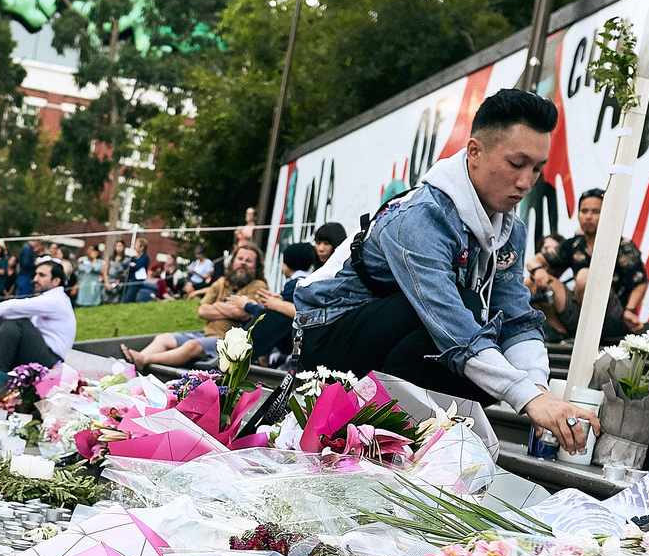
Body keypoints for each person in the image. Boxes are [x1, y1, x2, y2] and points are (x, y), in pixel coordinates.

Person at [294, 89, 595, 456]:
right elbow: (447, 320)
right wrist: (526, 397)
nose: (525, 181)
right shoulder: (421, 217)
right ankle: (380, 431)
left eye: (537, 168)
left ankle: (417, 440)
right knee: (468, 313)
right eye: (517, 163)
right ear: (474, 152)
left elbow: (517, 317)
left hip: (402, 337)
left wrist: (539, 390)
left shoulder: (510, 229)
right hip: (328, 338)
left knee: (496, 347)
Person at [121, 243, 266, 368]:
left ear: (256, 266)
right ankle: (128, 366)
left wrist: (217, 306)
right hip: (206, 334)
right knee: (164, 338)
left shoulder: (258, 285)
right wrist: (230, 307)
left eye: (249, 261)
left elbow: (244, 313)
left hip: (229, 343)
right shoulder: (222, 282)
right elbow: (202, 310)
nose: (243, 263)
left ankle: (143, 359)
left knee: (192, 346)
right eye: (240, 259)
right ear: (233, 261)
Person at [560, 188, 646, 344]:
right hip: (580, 317)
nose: (588, 217)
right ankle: (561, 334)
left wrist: (630, 310)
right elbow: (536, 262)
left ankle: (585, 338)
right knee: (532, 282)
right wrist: (539, 272)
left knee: (586, 276)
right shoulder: (574, 244)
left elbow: (639, 282)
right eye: (584, 211)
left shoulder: (622, 246)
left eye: (596, 212)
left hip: (614, 316)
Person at [0, 256, 73, 373]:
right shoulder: (51, 298)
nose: (35, 279)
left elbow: (15, 307)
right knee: (10, 321)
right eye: (36, 274)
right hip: (43, 353)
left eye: (41, 275)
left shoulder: (56, 300)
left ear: (56, 281)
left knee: (18, 322)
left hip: (52, 361)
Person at [248, 240, 315, 363]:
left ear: (285, 263)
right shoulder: (311, 281)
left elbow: (283, 312)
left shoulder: (295, 284)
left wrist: (249, 306)